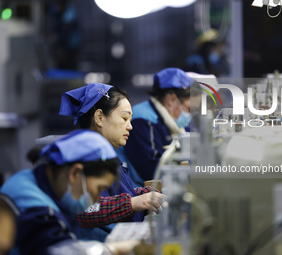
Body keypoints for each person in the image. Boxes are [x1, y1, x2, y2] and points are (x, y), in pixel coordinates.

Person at [0, 129, 138, 255]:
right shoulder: (40, 213)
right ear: (75, 173)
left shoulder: (27, 178)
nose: (97, 199)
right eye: (99, 189)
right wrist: (112, 249)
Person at [59, 83, 165, 229]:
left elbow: (114, 195)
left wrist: (147, 195)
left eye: (130, 120)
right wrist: (132, 203)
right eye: (124, 118)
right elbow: (83, 211)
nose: (130, 126)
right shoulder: (84, 158)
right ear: (100, 117)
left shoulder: (106, 155)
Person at [118, 67, 200, 188]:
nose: (190, 115)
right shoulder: (142, 120)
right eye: (189, 108)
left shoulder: (174, 122)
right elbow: (152, 171)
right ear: (171, 99)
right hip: (138, 194)